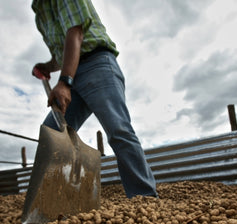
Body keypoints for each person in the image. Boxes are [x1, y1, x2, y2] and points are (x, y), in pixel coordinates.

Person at [31, 0, 157, 198]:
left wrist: (64, 82)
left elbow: (76, 33)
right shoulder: (39, 9)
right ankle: (57, 201)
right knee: (52, 135)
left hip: (96, 64)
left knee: (118, 130)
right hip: (72, 72)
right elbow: (62, 52)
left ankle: (145, 199)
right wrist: (48, 66)